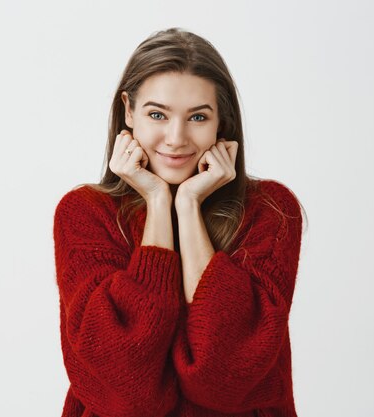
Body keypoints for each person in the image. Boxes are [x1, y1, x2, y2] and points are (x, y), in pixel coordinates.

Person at [53, 27, 307, 417]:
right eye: (157, 114)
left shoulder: (269, 210)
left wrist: (187, 207)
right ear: (128, 110)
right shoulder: (84, 213)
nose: (176, 138)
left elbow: (224, 378)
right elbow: (127, 392)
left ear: (221, 121)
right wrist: (157, 201)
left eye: (198, 117)